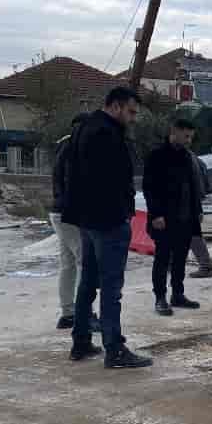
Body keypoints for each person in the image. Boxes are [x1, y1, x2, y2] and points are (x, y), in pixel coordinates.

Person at [62, 86, 152, 368]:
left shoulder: (83, 128)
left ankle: (81, 342)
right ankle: (114, 349)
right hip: (108, 221)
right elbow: (112, 179)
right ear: (115, 106)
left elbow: (71, 172)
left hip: (87, 219)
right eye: (130, 112)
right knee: (111, 288)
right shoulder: (107, 133)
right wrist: (122, 213)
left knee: (88, 283)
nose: (133, 118)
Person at [143, 119, 203, 315]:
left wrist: (197, 210)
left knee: (180, 259)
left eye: (191, 137)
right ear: (174, 132)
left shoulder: (187, 156)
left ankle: (178, 294)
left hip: (185, 218)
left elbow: (193, 186)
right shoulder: (157, 155)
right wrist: (156, 214)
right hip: (164, 219)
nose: (188, 141)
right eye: (186, 136)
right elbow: (149, 188)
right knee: (162, 259)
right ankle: (160, 297)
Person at [49, 112, 100, 331]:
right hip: (71, 214)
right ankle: (84, 314)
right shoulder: (75, 148)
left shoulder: (64, 145)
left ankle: (68, 313)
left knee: (68, 264)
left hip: (59, 212)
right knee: (85, 263)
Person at [188, 151, 212, 279]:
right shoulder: (194, 157)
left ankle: (206, 267)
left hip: (187, 202)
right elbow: (205, 181)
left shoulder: (185, 157)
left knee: (193, 236)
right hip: (194, 202)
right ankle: (206, 266)